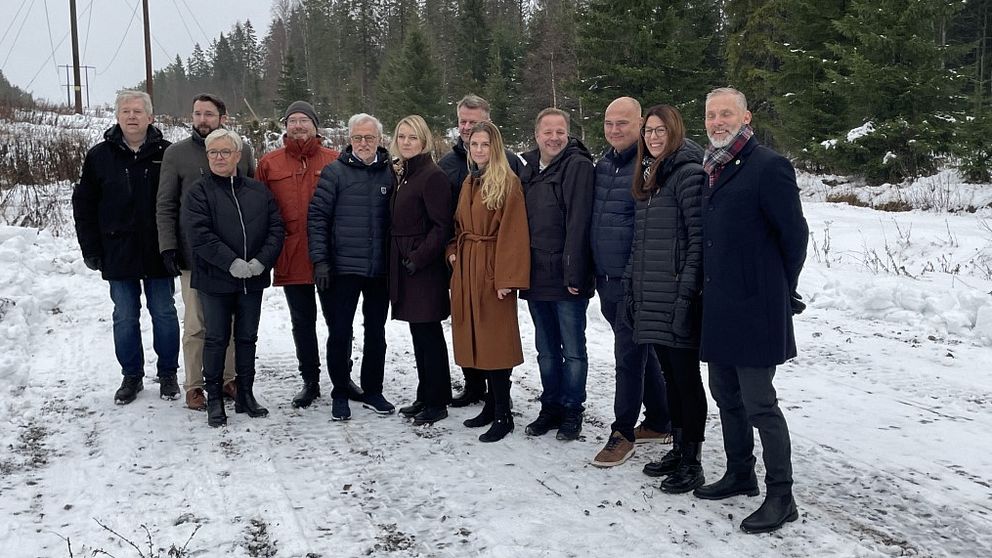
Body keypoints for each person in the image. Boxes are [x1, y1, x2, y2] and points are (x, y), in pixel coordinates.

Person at [693, 87, 808, 534]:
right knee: (725, 396)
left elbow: (794, 237)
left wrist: (781, 288)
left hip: (757, 306)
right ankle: (740, 473)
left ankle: (782, 494)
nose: (717, 122)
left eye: (726, 114)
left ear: (747, 119)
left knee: (761, 403)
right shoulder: (712, 168)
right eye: (711, 115)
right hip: (719, 307)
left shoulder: (769, 166)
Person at [72, 90, 180, 405]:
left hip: (159, 250)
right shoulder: (99, 156)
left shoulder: (167, 154)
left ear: (151, 117)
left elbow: (179, 202)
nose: (131, 116)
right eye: (125, 111)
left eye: (137, 111)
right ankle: (131, 375)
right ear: (117, 116)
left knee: (164, 312)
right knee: (125, 314)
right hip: (117, 250)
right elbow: (85, 205)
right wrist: (90, 247)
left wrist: (177, 246)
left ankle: (168, 373)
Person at [626, 104, 708, 493]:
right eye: (648, 131)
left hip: (676, 298)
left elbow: (697, 245)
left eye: (660, 131)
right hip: (651, 297)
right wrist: (631, 288)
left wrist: (686, 297)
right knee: (670, 380)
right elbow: (639, 244)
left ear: (674, 132)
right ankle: (677, 448)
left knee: (687, 381)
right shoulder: (649, 179)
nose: (653, 137)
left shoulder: (688, 175)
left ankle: (693, 460)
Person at [156, 93, 255, 411]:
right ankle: (195, 385)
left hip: (233, 256)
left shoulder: (243, 149)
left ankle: (228, 378)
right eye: (197, 113)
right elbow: (166, 204)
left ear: (222, 118)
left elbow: (250, 198)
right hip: (193, 257)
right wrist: (168, 245)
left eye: (209, 114)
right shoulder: (177, 154)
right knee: (197, 324)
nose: (202, 119)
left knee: (227, 323)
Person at [589, 97, 672, 468]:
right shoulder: (603, 164)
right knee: (642, 351)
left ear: (640, 124)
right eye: (609, 123)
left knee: (627, 356)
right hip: (606, 279)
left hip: (634, 282)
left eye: (622, 123)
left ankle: (622, 432)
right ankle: (659, 419)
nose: (614, 129)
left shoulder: (653, 166)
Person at [182, 129, 284, 427]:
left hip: (252, 279)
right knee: (216, 338)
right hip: (215, 279)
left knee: (246, 337)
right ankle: (214, 399)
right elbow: (199, 235)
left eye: (225, 152)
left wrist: (261, 261)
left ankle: (246, 394)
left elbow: (276, 228)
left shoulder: (257, 191)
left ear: (238, 156)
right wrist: (231, 263)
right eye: (213, 152)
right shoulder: (198, 192)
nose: (218, 158)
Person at [256, 100, 346, 410]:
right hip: (291, 255)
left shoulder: (336, 161)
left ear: (315, 126)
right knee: (302, 322)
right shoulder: (270, 164)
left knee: (338, 321)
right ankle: (310, 379)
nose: (298, 125)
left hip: (330, 258)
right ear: (285, 126)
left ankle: (342, 378)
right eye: (292, 120)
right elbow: (261, 213)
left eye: (304, 120)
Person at [446, 121, 530, 443]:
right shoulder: (470, 181)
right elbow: (457, 225)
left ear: (495, 147)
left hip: (493, 269)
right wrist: (453, 253)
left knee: (496, 341)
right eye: (474, 145)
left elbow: (514, 232)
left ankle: (504, 414)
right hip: (468, 265)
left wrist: (506, 278)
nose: (479, 150)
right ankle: (491, 405)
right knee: (476, 336)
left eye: (485, 144)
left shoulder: (507, 182)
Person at [308, 113, 395, 420]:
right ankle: (340, 391)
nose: (363, 143)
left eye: (369, 138)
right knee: (340, 332)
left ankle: (373, 390)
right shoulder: (334, 173)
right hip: (342, 269)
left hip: (379, 270)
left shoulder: (391, 173)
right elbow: (317, 219)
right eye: (357, 138)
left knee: (376, 332)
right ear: (349, 140)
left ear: (379, 140)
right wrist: (320, 260)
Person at [519, 108, 595, 441]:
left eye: (560, 131)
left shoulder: (577, 166)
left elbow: (579, 222)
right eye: (547, 132)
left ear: (568, 134)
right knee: (546, 349)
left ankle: (571, 409)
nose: (554, 138)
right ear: (536, 135)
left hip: (566, 277)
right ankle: (549, 405)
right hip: (536, 274)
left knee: (573, 350)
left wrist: (575, 273)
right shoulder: (529, 169)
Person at [389, 115, 454, 426]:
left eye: (412, 137)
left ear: (424, 141)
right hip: (406, 267)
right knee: (418, 333)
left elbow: (442, 227)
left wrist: (417, 258)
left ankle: (437, 400)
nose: (406, 142)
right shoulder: (406, 174)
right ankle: (424, 393)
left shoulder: (432, 176)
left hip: (423, 270)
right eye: (401, 136)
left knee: (429, 334)